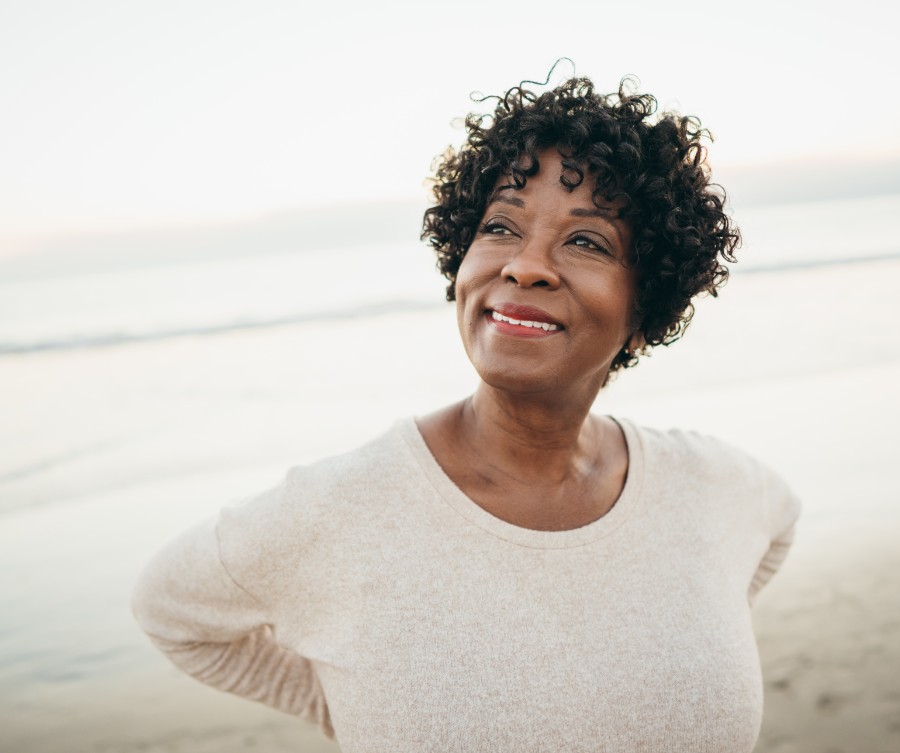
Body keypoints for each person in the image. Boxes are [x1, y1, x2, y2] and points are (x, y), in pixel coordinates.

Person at [132, 72, 800, 753]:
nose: (526, 265)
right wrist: (342, 704)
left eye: (587, 241)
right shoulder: (345, 507)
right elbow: (171, 608)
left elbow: (778, 522)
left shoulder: (714, 483)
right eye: (501, 226)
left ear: (644, 313)